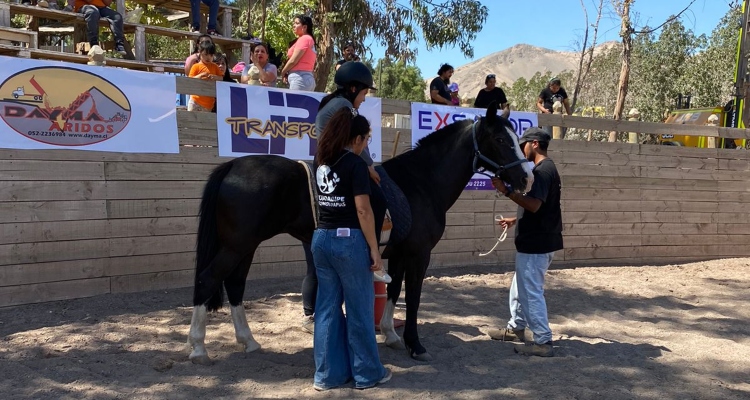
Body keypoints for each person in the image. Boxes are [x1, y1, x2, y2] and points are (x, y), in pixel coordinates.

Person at [301, 61, 387, 335]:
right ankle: (371, 247)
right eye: (363, 93)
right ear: (352, 88)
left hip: (323, 165)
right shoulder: (345, 108)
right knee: (373, 197)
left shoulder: (331, 103)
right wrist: (369, 166)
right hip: (340, 168)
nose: (364, 98)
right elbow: (355, 145)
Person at [311, 108, 392, 390]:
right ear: (356, 138)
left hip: (321, 238)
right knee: (359, 309)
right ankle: (367, 373)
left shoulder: (320, 159)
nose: (366, 144)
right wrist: (375, 249)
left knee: (326, 309)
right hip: (349, 241)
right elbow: (363, 210)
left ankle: (326, 375)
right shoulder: (355, 165)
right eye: (366, 139)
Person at [486, 127, 563, 358]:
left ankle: (542, 340)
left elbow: (535, 205)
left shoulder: (542, 172)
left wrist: (507, 191)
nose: (521, 150)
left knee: (530, 292)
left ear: (535, 144)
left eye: (524, 145)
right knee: (520, 288)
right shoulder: (546, 169)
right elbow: (540, 206)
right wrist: (515, 218)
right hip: (539, 241)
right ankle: (516, 327)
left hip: (536, 244)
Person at [280, 15, 316, 91]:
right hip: (304, 78)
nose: (294, 25)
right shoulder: (307, 39)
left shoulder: (304, 38)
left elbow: (293, 60)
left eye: (297, 23)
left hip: (300, 78)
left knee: (293, 103)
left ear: (304, 27)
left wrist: (283, 71)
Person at [187, 41, 223, 112]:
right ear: (200, 52)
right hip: (195, 101)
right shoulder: (196, 66)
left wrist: (216, 78)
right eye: (206, 54)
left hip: (208, 104)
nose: (208, 57)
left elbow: (221, 78)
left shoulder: (215, 67)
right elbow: (189, 80)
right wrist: (199, 76)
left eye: (211, 55)